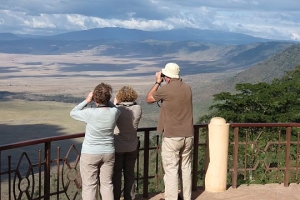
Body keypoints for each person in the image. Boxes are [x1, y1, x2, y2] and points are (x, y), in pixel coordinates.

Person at [145, 63, 194, 200]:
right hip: (188, 134)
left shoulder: (166, 90)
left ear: (167, 77)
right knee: (186, 168)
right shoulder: (187, 87)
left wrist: (157, 82)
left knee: (171, 169)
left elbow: (149, 99)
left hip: (172, 136)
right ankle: (186, 197)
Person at [70, 83, 121, 200]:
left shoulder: (90, 112)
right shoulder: (114, 113)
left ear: (95, 98)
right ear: (108, 98)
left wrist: (87, 101)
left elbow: (73, 112)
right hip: (108, 152)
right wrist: (107, 100)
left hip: (90, 153)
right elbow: (116, 108)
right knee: (107, 184)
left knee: (89, 185)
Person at [112, 86, 142, 200]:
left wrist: (115, 103)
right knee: (129, 174)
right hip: (132, 146)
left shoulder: (117, 110)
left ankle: (116, 197)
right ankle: (130, 197)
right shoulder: (138, 108)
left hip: (118, 146)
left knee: (116, 174)